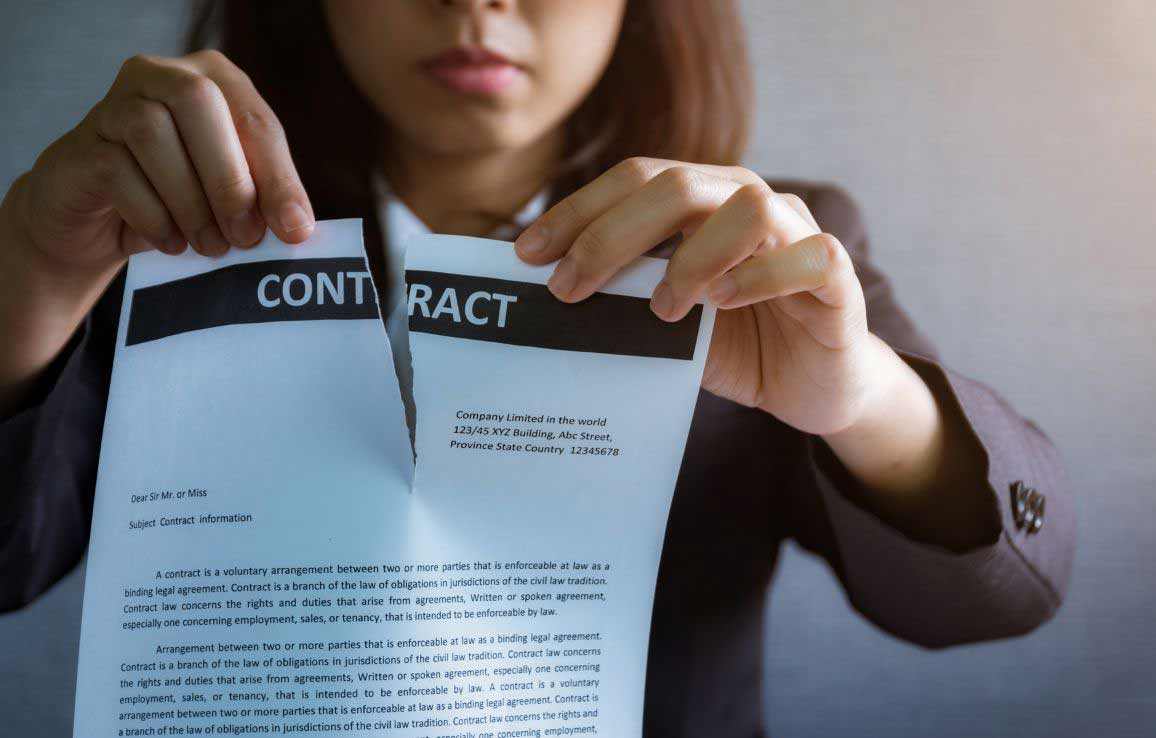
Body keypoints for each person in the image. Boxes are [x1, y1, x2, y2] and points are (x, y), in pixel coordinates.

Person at [0, 1, 1074, 735]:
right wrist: (35, 269)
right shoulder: (157, 241)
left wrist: (866, 398)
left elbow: (994, 600)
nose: (476, 0)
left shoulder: (766, 258)